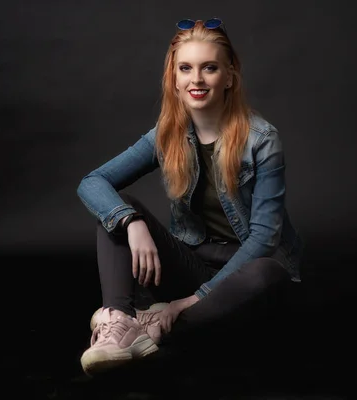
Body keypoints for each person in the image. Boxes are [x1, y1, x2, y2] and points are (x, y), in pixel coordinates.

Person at [76, 18, 304, 377]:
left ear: (229, 76)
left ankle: (153, 329)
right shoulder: (167, 135)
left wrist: (191, 300)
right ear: (175, 79)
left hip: (243, 277)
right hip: (192, 265)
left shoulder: (262, 140)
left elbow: (264, 238)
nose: (196, 79)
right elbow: (93, 181)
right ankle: (120, 321)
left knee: (266, 273)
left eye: (209, 68)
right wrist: (131, 222)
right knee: (119, 211)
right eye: (186, 68)